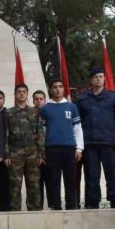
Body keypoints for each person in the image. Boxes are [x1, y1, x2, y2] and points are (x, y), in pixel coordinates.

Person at [76, 66, 115, 209]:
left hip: (109, 143)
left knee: (112, 175)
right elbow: (77, 122)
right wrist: (79, 144)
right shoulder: (82, 99)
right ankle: (92, 203)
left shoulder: (113, 97)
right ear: (91, 80)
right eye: (96, 77)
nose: (98, 79)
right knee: (92, 176)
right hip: (89, 143)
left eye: (101, 76)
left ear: (104, 79)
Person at [39, 80, 83, 210]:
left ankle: (71, 207)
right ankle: (56, 207)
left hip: (69, 148)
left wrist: (79, 148)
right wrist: (43, 151)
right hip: (52, 149)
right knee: (54, 179)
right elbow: (43, 131)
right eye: (55, 87)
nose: (58, 89)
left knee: (71, 180)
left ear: (64, 89)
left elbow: (77, 128)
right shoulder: (45, 108)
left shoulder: (71, 107)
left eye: (60, 87)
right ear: (50, 90)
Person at [5, 84, 44, 211]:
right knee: (14, 185)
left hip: (32, 152)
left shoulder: (35, 112)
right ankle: (14, 212)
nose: (21, 94)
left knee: (33, 184)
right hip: (15, 153)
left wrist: (41, 154)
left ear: (27, 95)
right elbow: (5, 135)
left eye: (24, 92)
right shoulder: (8, 112)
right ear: (15, 95)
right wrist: (6, 154)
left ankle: (35, 211)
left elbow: (40, 134)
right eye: (19, 92)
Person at [33, 89, 48, 208]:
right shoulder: (30, 114)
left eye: (41, 99)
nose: (39, 101)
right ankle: (38, 207)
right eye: (36, 99)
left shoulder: (49, 112)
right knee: (37, 183)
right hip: (35, 154)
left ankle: (53, 205)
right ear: (33, 100)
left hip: (50, 152)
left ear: (45, 100)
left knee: (51, 180)